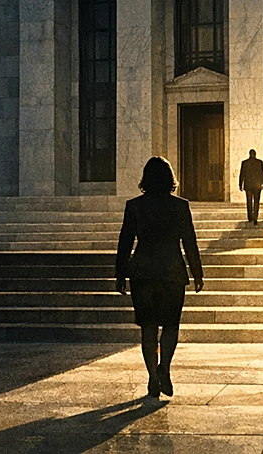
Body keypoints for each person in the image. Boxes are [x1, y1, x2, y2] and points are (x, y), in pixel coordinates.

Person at [116, 157, 204, 399]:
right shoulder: (180, 206)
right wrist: (197, 272)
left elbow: (125, 242)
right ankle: (164, 366)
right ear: (169, 179)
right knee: (171, 325)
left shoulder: (135, 206)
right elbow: (190, 242)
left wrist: (120, 273)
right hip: (172, 271)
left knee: (148, 327)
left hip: (142, 271)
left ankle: (153, 376)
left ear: (146, 179)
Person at [238, 149, 263, 225]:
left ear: (249, 154)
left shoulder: (245, 163)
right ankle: (255, 218)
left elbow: (242, 175)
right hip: (257, 185)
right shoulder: (259, 163)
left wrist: (240, 184)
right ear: (255, 154)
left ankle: (250, 217)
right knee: (256, 202)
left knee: (249, 201)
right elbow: (262, 174)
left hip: (248, 185)